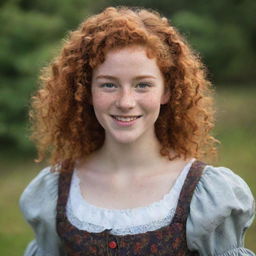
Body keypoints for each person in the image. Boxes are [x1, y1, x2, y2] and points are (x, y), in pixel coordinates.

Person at [19, 6, 255, 256]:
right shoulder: (56, 191)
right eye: (109, 84)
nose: (126, 102)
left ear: (167, 91)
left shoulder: (202, 194)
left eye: (143, 84)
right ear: (86, 90)